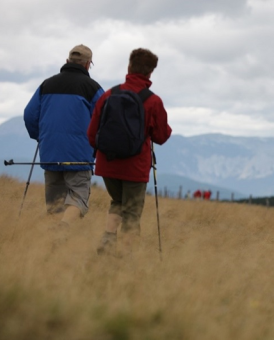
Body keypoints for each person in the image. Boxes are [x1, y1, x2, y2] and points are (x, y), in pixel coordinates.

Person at [88, 48, 172, 254]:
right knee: (132, 212)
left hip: (107, 164)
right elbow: (161, 136)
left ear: (129, 66)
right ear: (150, 72)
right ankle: (126, 257)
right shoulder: (153, 101)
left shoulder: (109, 95)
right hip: (136, 167)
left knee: (117, 201)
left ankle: (108, 241)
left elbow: (92, 134)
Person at [24, 44, 104, 227]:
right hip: (79, 155)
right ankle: (62, 231)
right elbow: (105, 118)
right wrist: (98, 145)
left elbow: (29, 114)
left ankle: (53, 246)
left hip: (50, 152)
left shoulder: (47, 84)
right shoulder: (92, 88)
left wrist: (41, 136)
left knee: (55, 204)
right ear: (87, 65)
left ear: (67, 61)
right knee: (79, 198)